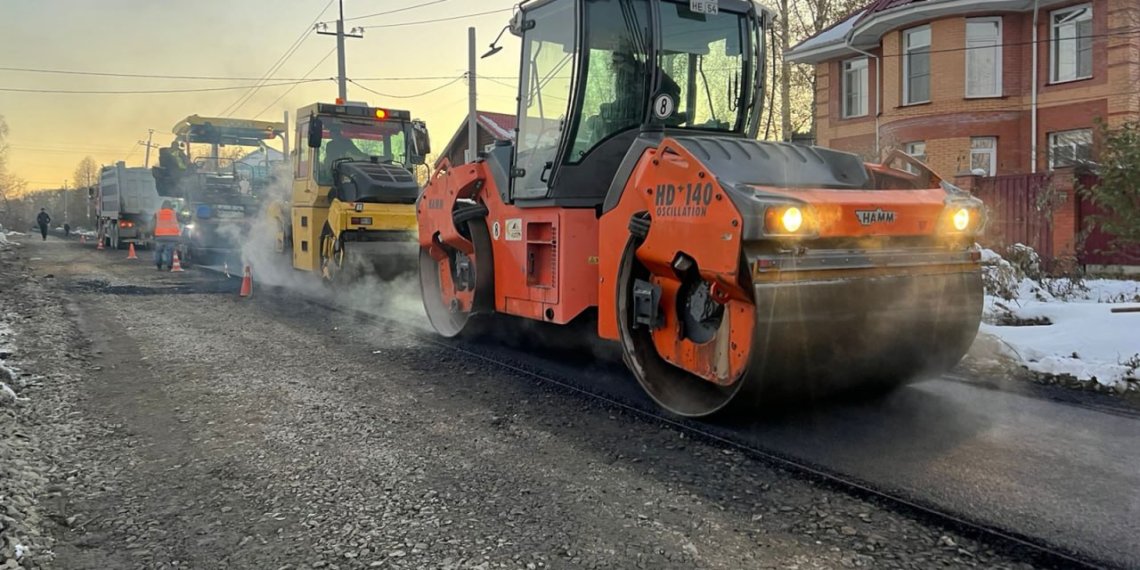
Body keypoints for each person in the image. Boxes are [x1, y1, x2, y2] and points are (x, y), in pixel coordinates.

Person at [152, 200, 181, 270]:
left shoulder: (157, 214)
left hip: (159, 236)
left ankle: (159, 266)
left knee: (158, 251)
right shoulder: (175, 214)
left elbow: (153, 225)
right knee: (170, 251)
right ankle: (169, 266)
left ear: (162, 206)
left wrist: (153, 235)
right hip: (172, 236)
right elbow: (183, 220)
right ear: (171, 206)